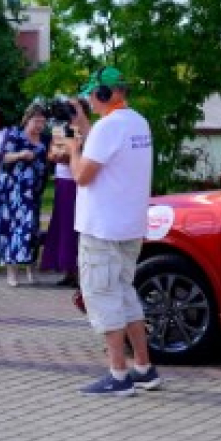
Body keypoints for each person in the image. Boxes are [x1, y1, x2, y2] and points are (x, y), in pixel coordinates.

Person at [65, 67, 162, 396]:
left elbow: (82, 175)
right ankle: (144, 368)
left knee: (103, 296)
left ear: (106, 94)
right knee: (124, 293)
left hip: (102, 229)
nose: (90, 100)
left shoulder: (108, 127)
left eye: (93, 94)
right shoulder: (137, 122)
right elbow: (109, 148)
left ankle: (118, 375)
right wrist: (84, 129)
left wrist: (72, 149)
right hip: (129, 225)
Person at [0, 104, 51, 286]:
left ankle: (31, 269)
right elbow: (1, 157)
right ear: (27, 120)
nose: (40, 125)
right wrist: (20, 154)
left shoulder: (45, 138)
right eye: (36, 121)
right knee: (12, 229)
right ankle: (12, 273)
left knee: (32, 230)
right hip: (12, 191)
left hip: (33, 192)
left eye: (43, 122)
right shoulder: (15, 134)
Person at [39, 105, 85, 288]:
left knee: (72, 225)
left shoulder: (79, 131)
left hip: (74, 181)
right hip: (61, 179)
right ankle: (67, 270)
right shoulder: (58, 130)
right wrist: (57, 155)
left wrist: (64, 155)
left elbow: (76, 154)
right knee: (62, 226)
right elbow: (51, 153)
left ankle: (77, 271)